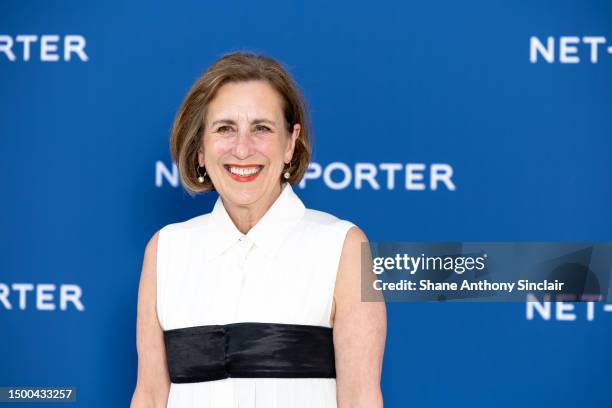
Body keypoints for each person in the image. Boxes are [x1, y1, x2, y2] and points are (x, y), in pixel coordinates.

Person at [131, 51, 386, 408]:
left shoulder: (342, 247)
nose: (242, 148)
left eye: (261, 128)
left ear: (290, 143)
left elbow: (361, 399)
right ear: (200, 148)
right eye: (225, 128)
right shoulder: (165, 250)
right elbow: (150, 396)